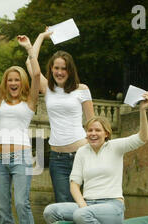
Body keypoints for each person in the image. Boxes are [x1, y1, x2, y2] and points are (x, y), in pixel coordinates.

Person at [43, 92, 148, 224]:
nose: (93, 133)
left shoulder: (115, 147)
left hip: (112, 206)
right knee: (50, 211)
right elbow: (74, 184)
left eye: (97, 130)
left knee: (81, 215)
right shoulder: (82, 151)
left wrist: (142, 111)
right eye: (90, 130)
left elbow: (142, 138)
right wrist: (82, 205)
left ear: (106, 133)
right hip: (87, 205)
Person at [0, 32, 40, 224]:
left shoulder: (30, 102)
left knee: (22, 203)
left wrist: (29, 48)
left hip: (21, 157)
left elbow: (37, 75)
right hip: (0, 159)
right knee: (3, 207)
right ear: (6, 83)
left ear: (22, 82)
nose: (13, 83)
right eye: (10, 80)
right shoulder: (2, 100)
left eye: (17, 80)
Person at [26, 29, 94, 203]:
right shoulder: (47, 88)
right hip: (57, 159)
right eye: (56, 68)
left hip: (81, 154)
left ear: (70, 71)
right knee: (63, 203)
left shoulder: (82, 90)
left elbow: (92, 124)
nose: (60, 72)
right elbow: (29, 62)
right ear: (51, 69)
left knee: (83, 202)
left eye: (64, 68)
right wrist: (41, 36)